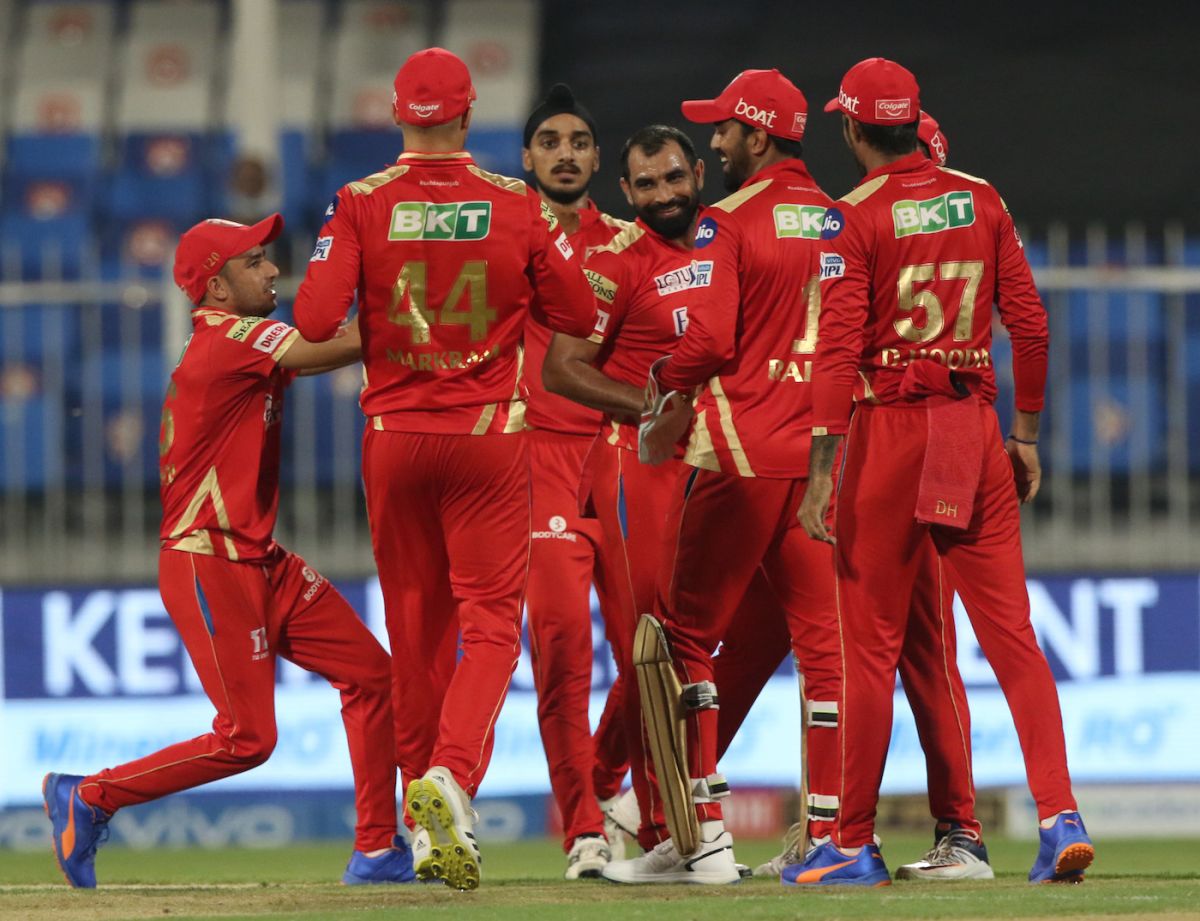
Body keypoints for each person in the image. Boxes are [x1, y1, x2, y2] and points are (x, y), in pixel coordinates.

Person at [291, 48, 595, 891]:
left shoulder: (359, 202)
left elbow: (315, 318)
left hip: (393, 434)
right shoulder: (514, 203)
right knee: (492, 624)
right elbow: (577, 310)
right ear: (468, 118)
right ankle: (451, 778)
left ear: (399, 117)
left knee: (417, 633)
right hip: (489, 439)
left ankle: (420, 834)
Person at [793, 57, 1094, 886]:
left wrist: (822, 471)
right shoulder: (982, 195)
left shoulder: (851, 218)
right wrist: (1025, 434)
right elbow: (1029, 326)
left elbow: (836, 353)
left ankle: (853, 841)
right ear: (917, 119)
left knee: (872, 649)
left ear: (853, 128)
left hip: (888, 431)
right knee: (1014, 641)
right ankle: (1059, 812)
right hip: (973, 427)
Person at [42, 215, 410, 889]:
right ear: (216, 286)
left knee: (373, 676)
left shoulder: (237, 338)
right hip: (208, 560)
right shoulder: (230, 337)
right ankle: (90, 795)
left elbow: (324, 342)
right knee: (249, 737)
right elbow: (333, 346)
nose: (273, 271)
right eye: (257, 261)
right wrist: (431, 300)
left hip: (259, 557)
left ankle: (378, 848)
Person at [584, 70, 841, 885]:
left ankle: (698, 835)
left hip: (732, 449)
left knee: (679, 637)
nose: (719, 142)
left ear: (751, 140)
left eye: (724, 132)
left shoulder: (727, 222)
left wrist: (665, 376)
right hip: (814, 457)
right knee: (825, 647)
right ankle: (834, 833)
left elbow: (713, 342)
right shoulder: (840, 217)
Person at [542, 123, 711, 871]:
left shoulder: (731, 242)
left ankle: (617, 781)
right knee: (654, 642)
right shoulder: (611, 265)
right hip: (637, 468)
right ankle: (666, 825)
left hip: (724, 466)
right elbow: (561, 368)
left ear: (698, 173)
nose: (664, 194)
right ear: (627, 193)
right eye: (647, 184)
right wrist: (649, 407)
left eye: (673, 178)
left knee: (686, 641)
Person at [519, 82, 634, 879]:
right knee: (562, 652)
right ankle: (585, 828)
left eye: (579, 141)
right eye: (550, 140)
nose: (566, 152)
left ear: (597, 157)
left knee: (653, 653)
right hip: (536, 463)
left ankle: (616, 791)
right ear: (527, 157)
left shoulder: (631, 243)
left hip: (624, 461)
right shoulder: (500, 235)